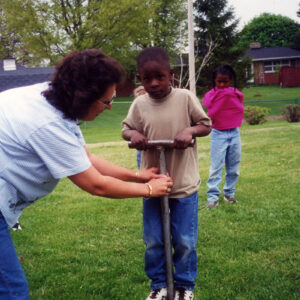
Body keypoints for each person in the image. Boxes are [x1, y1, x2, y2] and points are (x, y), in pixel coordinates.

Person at [0, 49, 173, 299]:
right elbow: (95, 184)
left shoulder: (53, 97)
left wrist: (138, 175)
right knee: (11, 291)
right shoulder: (46, 123)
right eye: (106, 101)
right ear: (83, 97)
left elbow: (87, 158)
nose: (111, 106)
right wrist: (148, 190)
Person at [122, 47, 211, 300]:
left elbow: (205, 125)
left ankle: (184, 286)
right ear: (140, 79)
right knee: (153, 239)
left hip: (183, 184)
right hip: (152, 184)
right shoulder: (139, 104)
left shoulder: (184, 98)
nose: (153, 83)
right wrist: (134, 134)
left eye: (159, 77)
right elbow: (125, 130)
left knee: (184, 240)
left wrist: (190, 132)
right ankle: (159, 284)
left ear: (170, 75)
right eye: (146, 78)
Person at [202, 64, 244, 209]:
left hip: (234, 132)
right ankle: (212, 197)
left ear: (230, 80)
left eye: (225, 82)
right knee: (216, 166)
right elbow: (206, 103)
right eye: (219, 81)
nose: (221, 84)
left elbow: (240, 103)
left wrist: (228, 95)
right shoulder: (212, 93)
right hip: (218, 133)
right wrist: (220, 95)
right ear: (215, 81)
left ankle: (229, 193)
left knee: (234, 166)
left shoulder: (235, 93)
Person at [133, 85, 147, 169]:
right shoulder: (135, 110)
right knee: (143, 169)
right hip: (142, 145)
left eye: (143, 94)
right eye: (139, 95)